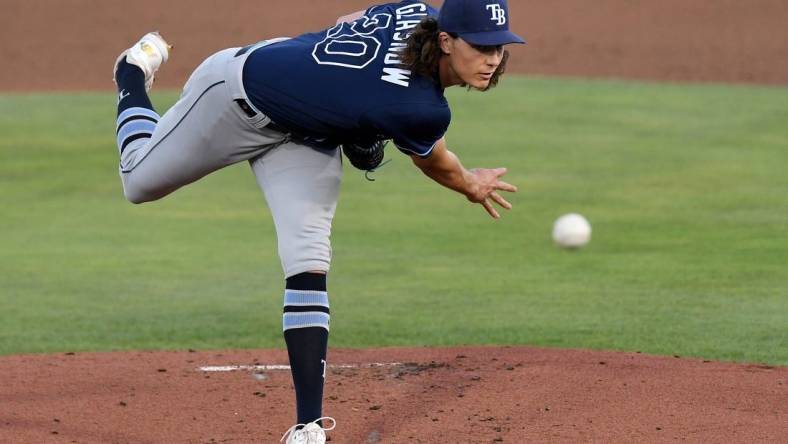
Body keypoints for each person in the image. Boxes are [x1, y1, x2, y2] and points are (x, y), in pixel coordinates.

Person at [111, 0, 523, 442]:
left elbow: (351, 21)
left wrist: (343, 96)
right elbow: (437, 163)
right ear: (445, 40)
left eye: (499, 47)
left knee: (309, 256)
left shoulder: (416, 10)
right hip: (235, 96)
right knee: (138, 180)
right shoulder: (420, 109)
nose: (492, 58)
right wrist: (471, 185)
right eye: (481, 47)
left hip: (304, 133)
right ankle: (131, 72)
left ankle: (308, 427)